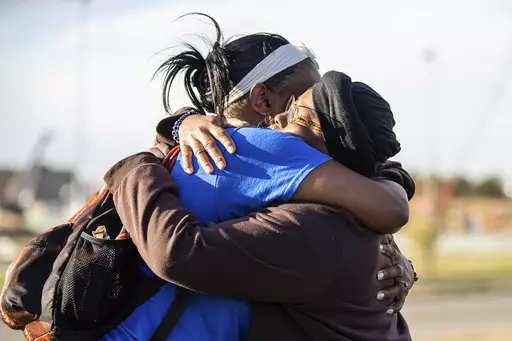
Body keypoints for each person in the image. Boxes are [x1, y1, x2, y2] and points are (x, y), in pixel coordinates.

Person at [102, 14, 416, 341]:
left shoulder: (231, 153)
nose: (327, 100)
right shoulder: (269, 150)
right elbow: (388, 206)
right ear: (263, 99)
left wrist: (179, 123)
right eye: (307, 98)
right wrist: (134, 165)